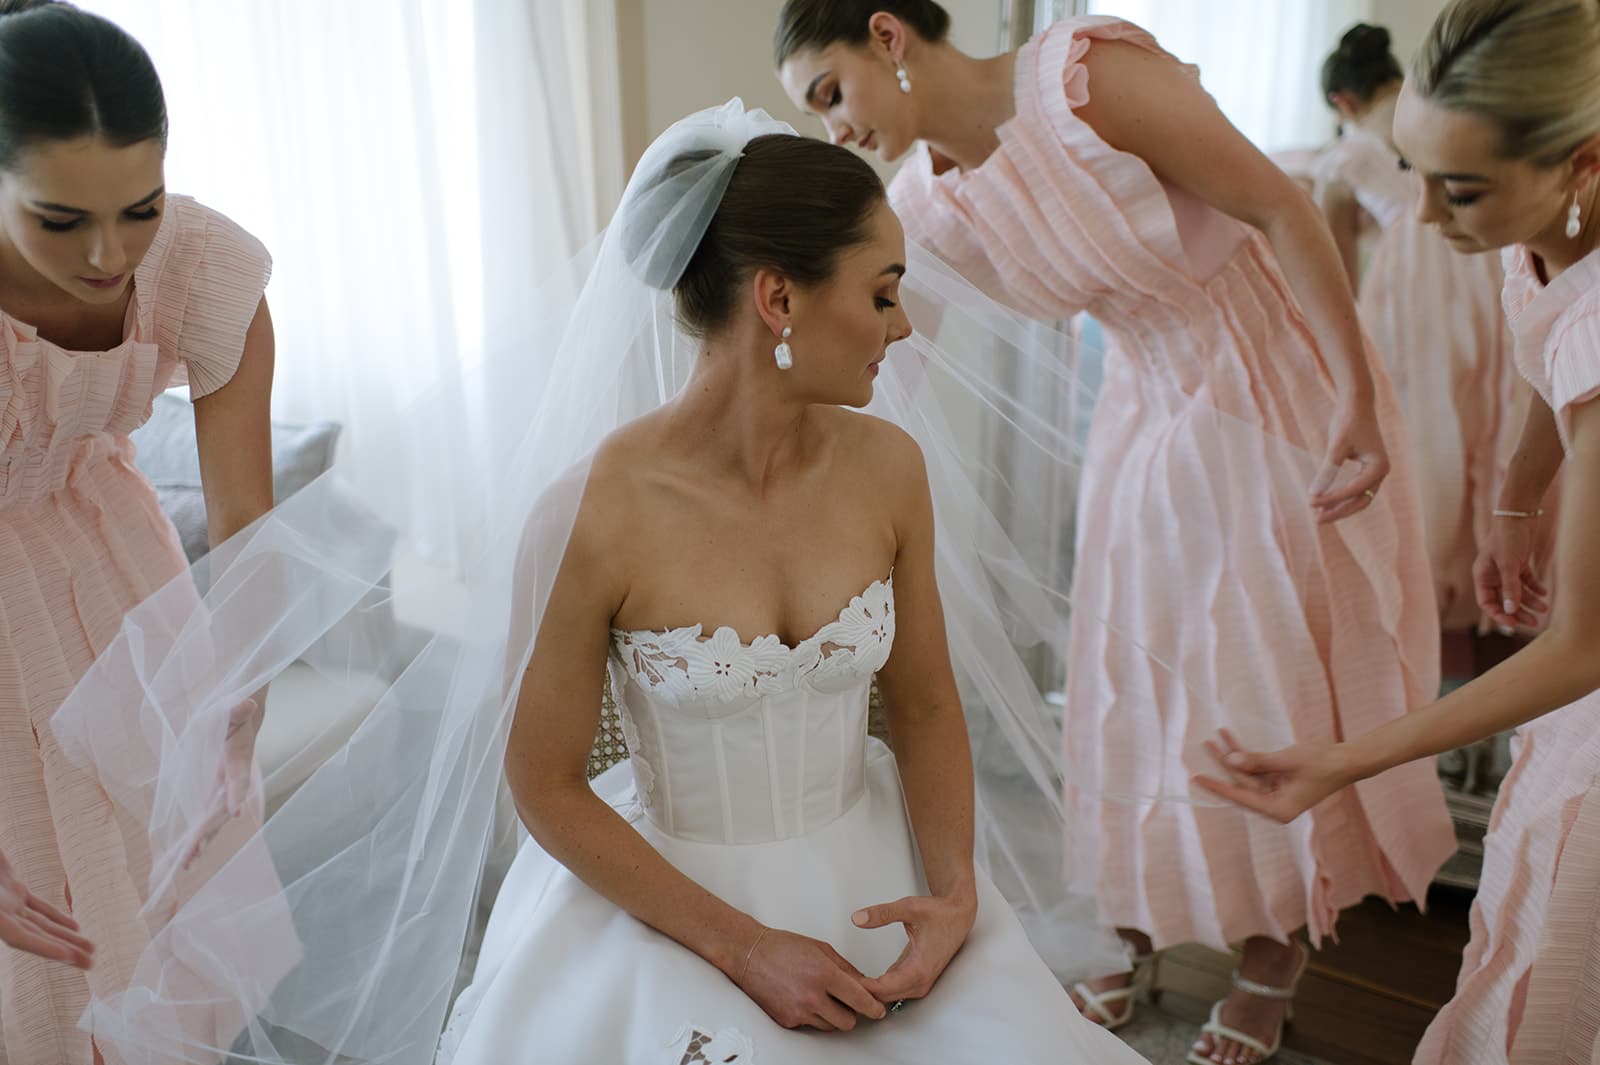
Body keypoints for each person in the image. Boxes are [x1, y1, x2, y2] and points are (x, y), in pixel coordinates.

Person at [775, 4, 1454, 1062]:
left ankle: (1276, 952)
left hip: (1273, 381)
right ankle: (1135, 921)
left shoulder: (1084, 78)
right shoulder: (918, 205)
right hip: (1147, 410)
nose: (835, 128)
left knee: (1258, 666)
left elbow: (1279, 209)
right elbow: (878, 358)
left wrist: (1357, 401)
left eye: (829, 92)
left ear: (888, 35)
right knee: (1132, 676)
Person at [435, 105, 1150, 1065]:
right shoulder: (591, 516)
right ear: (779, 297)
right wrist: (743, 946)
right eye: (883, 292)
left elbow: (928, 703)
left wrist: (951, 898)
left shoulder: (890, 468)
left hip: (872, 871)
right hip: (676, 906)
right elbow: (546, 783)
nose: (901, 326)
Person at [1198, 4, 1600, 1061]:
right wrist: (1514, 501)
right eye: (1414, 174)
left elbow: (1580, 652)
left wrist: (1341, 761)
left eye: (1457, 190)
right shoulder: (1549, 234)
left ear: (1583, 165)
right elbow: (1538, 345)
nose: (1421, 217)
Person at [0, 1, 279, 1060]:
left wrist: (238, 699)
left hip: (121, 586)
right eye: (60, 221)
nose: (111, 256)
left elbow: (250, 529)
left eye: (141, 208)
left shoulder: (204, 271)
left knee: (151, 924)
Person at [1316, 21, 1521, 643]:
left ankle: (1432, 606)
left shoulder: (1344, 158)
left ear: (1343, 104)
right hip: (1487, 275)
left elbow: (1338, 285)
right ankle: (1505, 588)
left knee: (1429, 430)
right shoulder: (1443, 116)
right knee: (1493, 414)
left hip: (1411, 307)